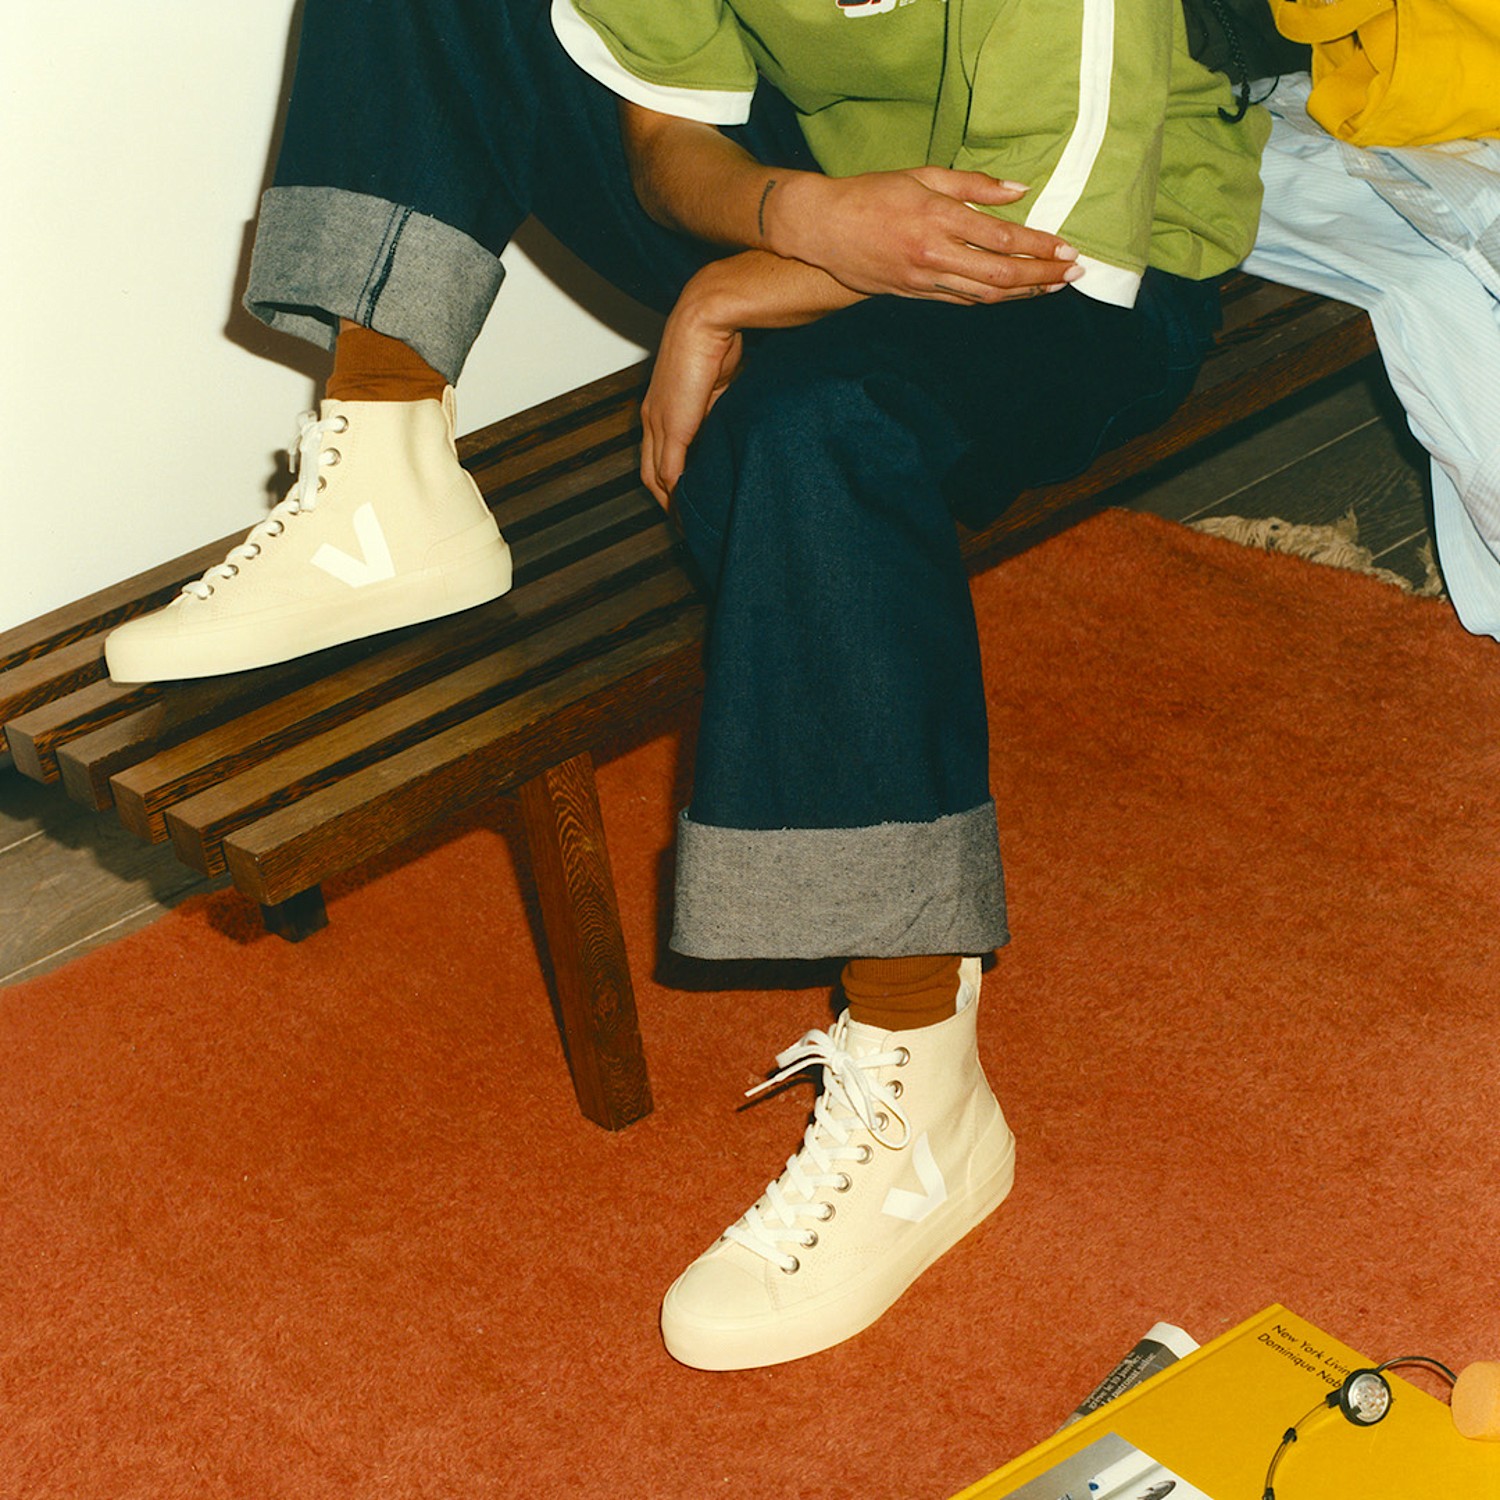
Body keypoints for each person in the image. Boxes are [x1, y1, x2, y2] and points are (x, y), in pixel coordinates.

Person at [103, 0, 1267, 1371]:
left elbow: (1045, 233)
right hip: (839, 200)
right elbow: (665, 137)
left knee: (810, 436)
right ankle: (386, 477)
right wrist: (794, 216)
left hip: (1092, 255)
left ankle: (927, 1087)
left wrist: (733, 290)